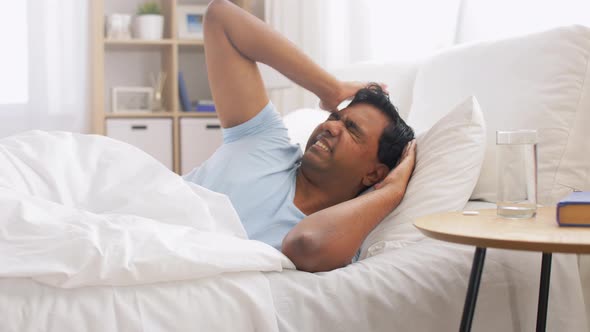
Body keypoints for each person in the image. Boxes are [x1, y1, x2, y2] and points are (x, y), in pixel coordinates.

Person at [183, 0, 416, 272]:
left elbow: (305, 245)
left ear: (374, 174)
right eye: (334, 117)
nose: (331, 126)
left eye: (352, 130)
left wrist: (391, 192)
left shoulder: (341, 231)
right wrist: (331, 89)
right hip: (135, 218)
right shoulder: (265, 139)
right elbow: (220, 16)